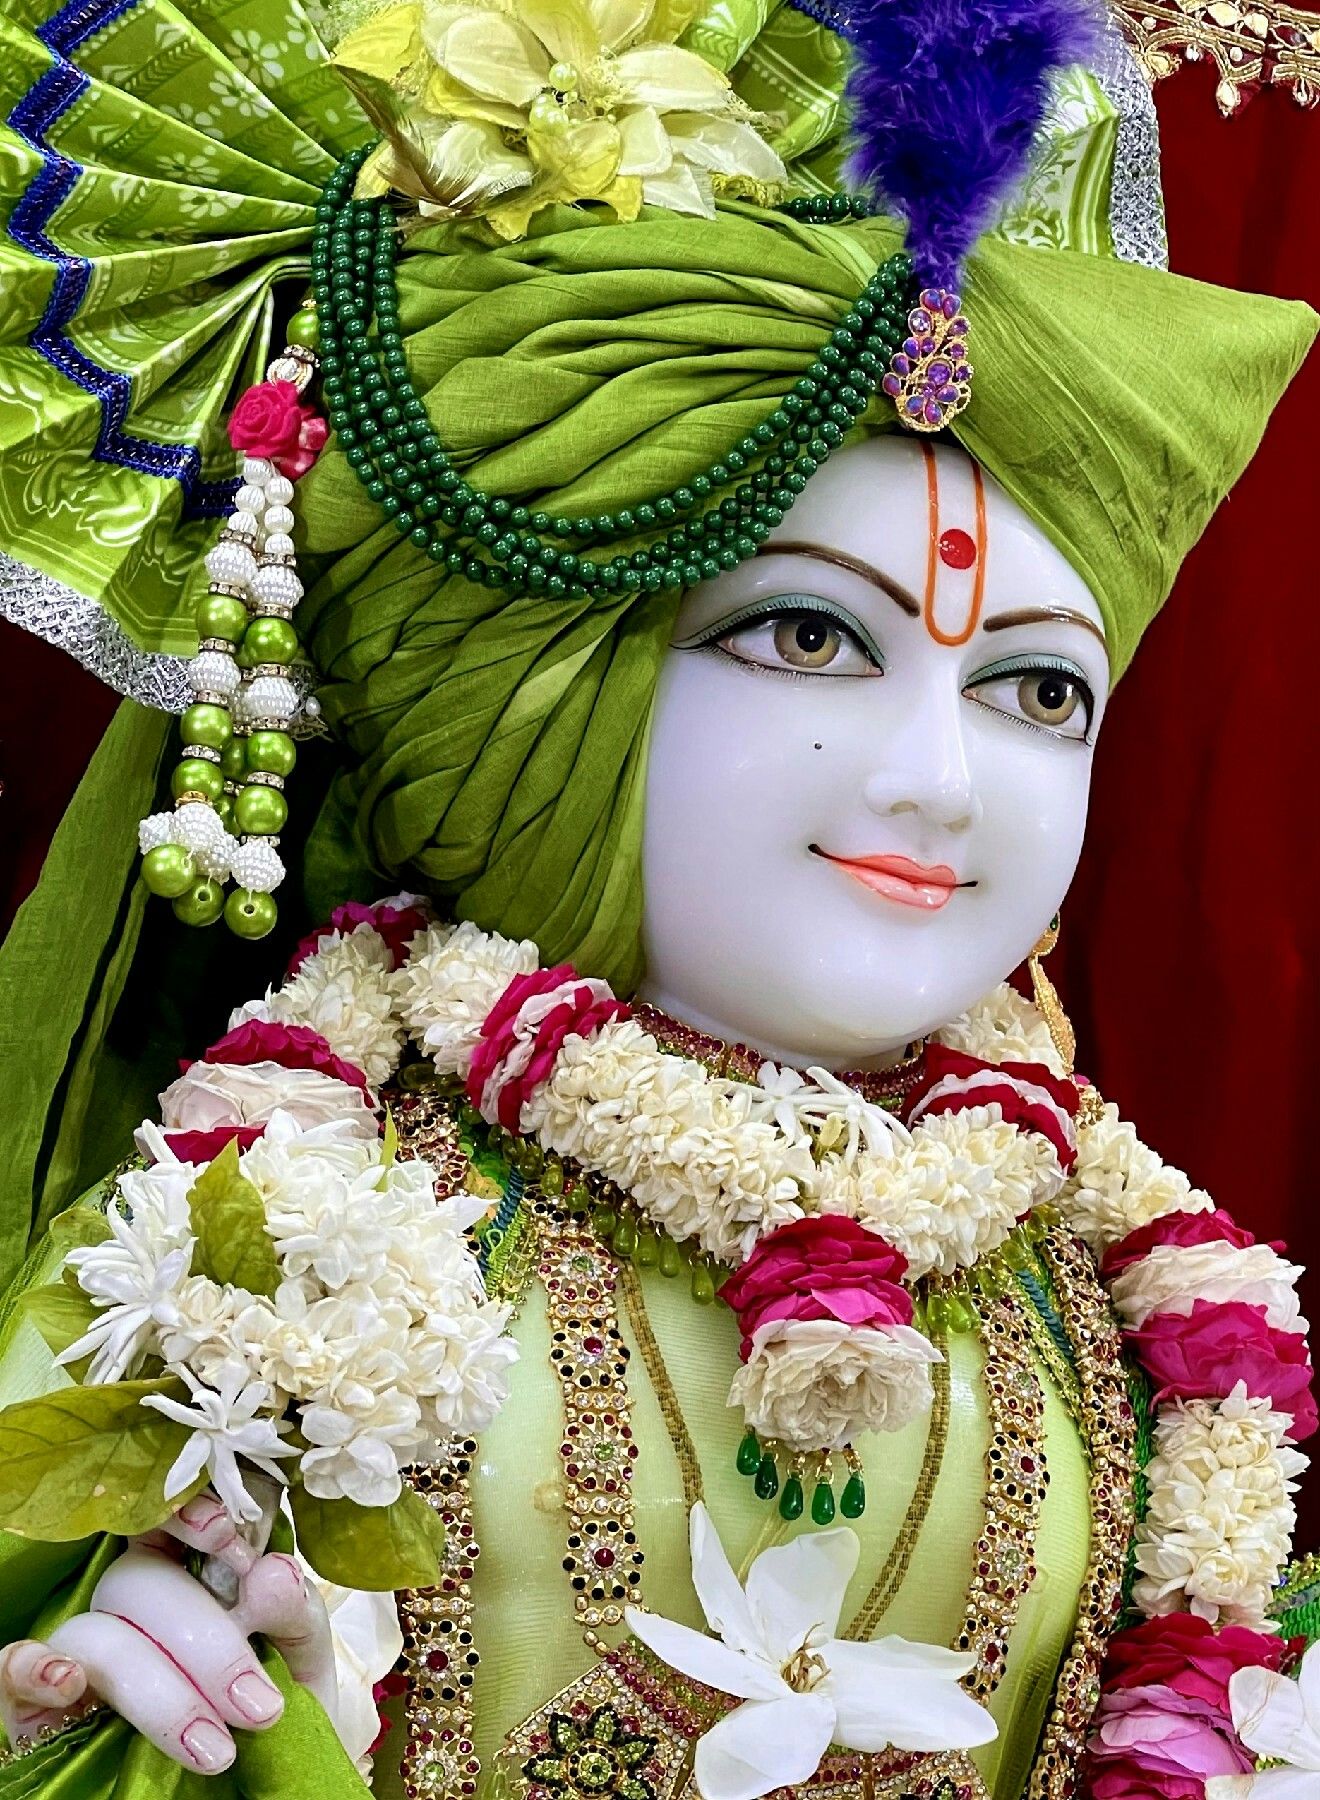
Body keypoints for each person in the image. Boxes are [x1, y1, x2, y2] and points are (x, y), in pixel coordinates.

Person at [0, 0, 1316, 1796]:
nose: (941, 778)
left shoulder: (1132, 1287)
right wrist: (128, 1714)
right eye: (804, 635)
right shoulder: (245, 1248)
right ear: (521, 686)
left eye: (1035, 689)